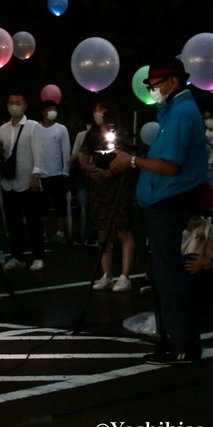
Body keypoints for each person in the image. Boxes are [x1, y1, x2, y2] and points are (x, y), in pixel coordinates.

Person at [109, 59, 208, 365]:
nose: (153, 91)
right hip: (163, 201)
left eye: (155, 85)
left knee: (169, 276)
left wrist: (132, 161)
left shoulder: (181, 113)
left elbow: (170, 165)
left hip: (168, 202)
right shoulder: (174, 112)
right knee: (165, 274)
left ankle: (182, 344)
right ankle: (176, 339)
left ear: (172, 82)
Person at [80, 102, 135, 292]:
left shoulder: (120, 133)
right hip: (99, 188)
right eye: (96, 110)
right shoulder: (90, 136)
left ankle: (125, 276)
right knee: (103, 232)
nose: (99, 114)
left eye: (102, 110)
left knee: (122, 230)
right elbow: (83, 160)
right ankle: (106, 275)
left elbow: (127, 159)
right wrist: (93, 170)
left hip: (118, 186)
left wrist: (109, 173)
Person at [0, 92, 43, 271]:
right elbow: (1, 152)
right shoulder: (3, 128)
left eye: (18, 102)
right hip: (9, 182)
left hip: (28, 181)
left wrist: (36, 175)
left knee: (33, 221)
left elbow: (38, 151)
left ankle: (38, 256)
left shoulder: (33, 126)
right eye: (11, 102)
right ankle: (17, 256)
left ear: (25, 105)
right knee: (13, 222)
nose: (14, 106)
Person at [34, 99, 72, 245]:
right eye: (49, 109)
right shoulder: (35, 129)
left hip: (57, 173)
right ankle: (42, 233)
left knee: (60, 204)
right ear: (43, 112)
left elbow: (66, 150)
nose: (53, 112)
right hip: (40, 174)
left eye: (54, 109)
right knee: (41, 206)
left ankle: (60, 232)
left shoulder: (61, 129)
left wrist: (65, 171)